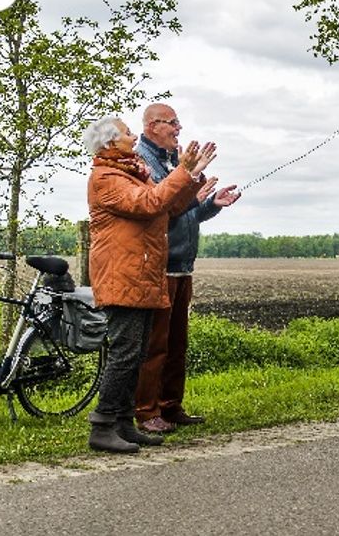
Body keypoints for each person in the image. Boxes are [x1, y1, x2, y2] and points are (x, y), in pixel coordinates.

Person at [83, 115, 216, 453]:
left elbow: (168, 208)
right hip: (122, 274)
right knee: (125, 353)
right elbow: (150, 203)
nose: (132, 137)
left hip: (140, 274)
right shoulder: (107, 178)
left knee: (137, 351)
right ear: (111, 143)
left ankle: (124, 424)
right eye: (127, 133)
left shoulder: (130, 173)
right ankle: (102, 425)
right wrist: (182, 173)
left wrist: (192, 176)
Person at [133, 103, 240, 434]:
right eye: (172, 123)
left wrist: (210, 205)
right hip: (159, 267)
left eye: (179, 123)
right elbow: (160, 208)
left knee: (177, 343)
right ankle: (146, 410)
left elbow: (183, 211)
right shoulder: (143, 161)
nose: (179, 129)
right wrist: (190, 180)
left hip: (182, 265)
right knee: (156, 344)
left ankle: (170, 405)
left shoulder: (170, 160)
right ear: (152, 126)